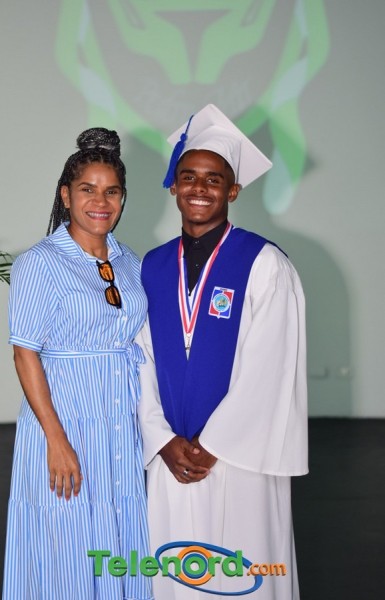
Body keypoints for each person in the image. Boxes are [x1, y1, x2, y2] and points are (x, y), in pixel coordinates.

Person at [137, 104, 308, 599]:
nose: (199, 188)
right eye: (188, 176)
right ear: (174, 186)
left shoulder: (265, 264)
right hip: (172, 455)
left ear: (233, 191)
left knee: (245, 573)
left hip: (240, 457)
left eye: (214, 179)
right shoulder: (151, 267)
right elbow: (138, 360)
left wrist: (214, 445)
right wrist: (161, 439)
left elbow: (271, 367)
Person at [2, 128, 153, 600]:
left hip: (119, 423)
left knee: (121, 527)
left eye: (112, 191)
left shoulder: (130, 262)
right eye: (88, 189)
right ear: (66, 196)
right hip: (66, 421)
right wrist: (56, 439)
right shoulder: (40, 262)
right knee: (66, 536)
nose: (100, 202)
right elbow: (24, 352)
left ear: (123, 198)